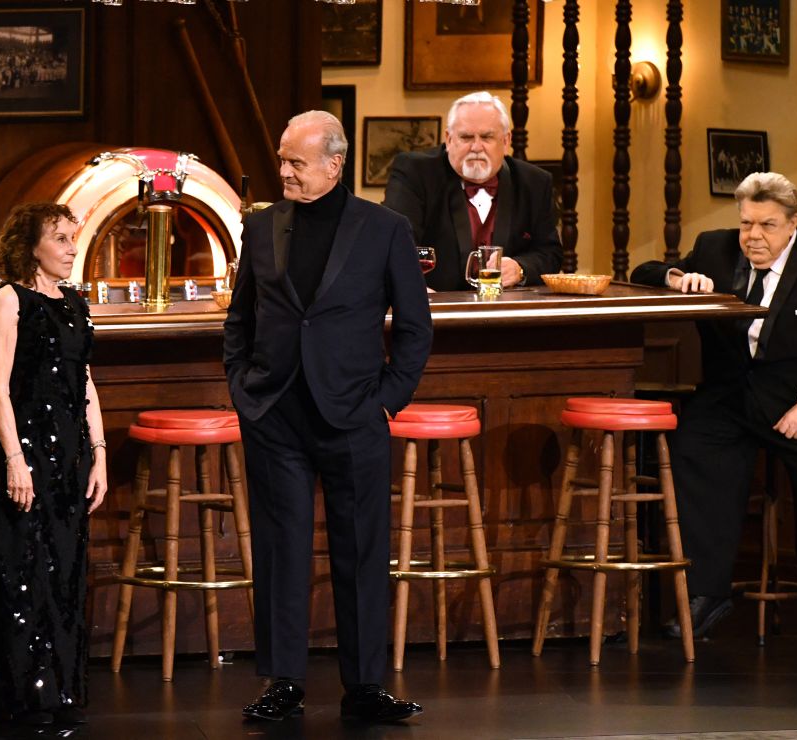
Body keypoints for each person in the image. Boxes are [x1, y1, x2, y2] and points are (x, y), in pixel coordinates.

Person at [224, 111, 433, 722]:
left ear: (334, 164)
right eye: (282, 161)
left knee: (362, 551)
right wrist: (244, 389)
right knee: (280, 550)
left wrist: (387, 400)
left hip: (354, 414)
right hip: (276, 413)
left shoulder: (385, 228)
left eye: (296, 162)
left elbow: (415, 331)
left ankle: (365, 687)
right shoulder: (260, 228)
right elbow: (240, 320)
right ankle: (283, 683)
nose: (284, 171)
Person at [630, 172, 797, 652]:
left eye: (766, 225)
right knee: (690, 452)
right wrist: (678, 276)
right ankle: (705, 596)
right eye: (746, 224)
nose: (753, 236)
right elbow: (644, 272)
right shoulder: (714, 249)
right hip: (734, 400)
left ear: (793, 225)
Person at [0, 203, 107, 726]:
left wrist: (98, 453)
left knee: (64, 571)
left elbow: (84, 381)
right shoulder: (9, 300)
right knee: (21, 571)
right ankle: (18, 700)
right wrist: (15, 461)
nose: (73, 247)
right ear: (32, 247)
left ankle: (58, 695)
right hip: (25, 450)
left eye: (74, 238)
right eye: (61, 239)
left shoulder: (73, 302)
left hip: (68, 454)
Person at [383, 91, 562, 291]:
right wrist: (413, 289)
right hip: (433, 310)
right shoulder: (414, 172)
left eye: (487, 137)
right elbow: (392, 243)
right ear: (449, 140)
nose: (476, 147)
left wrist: (520, 268)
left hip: (508, 311)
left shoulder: (535, 182)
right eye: (466, 137)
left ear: (506, 141)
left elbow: (550, 253)